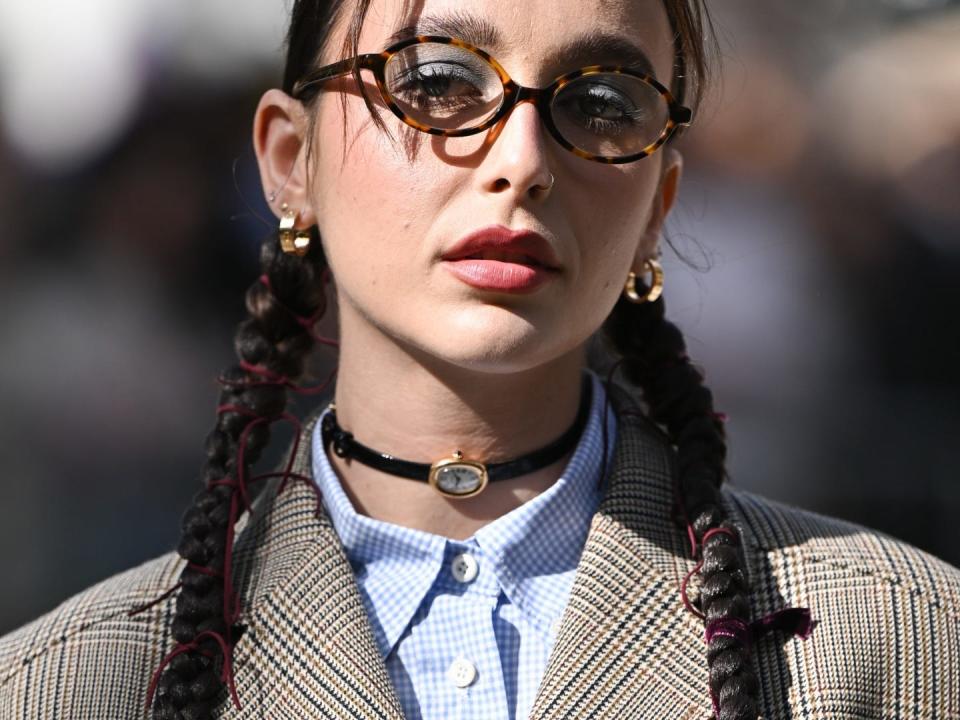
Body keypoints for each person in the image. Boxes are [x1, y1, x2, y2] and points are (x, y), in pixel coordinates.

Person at [1, 0, 957, 718]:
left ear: (657, 207)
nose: (522, 158)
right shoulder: (63, 686)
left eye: (604, 101)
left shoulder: (901, 643)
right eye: (436, 83)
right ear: (291, 161)